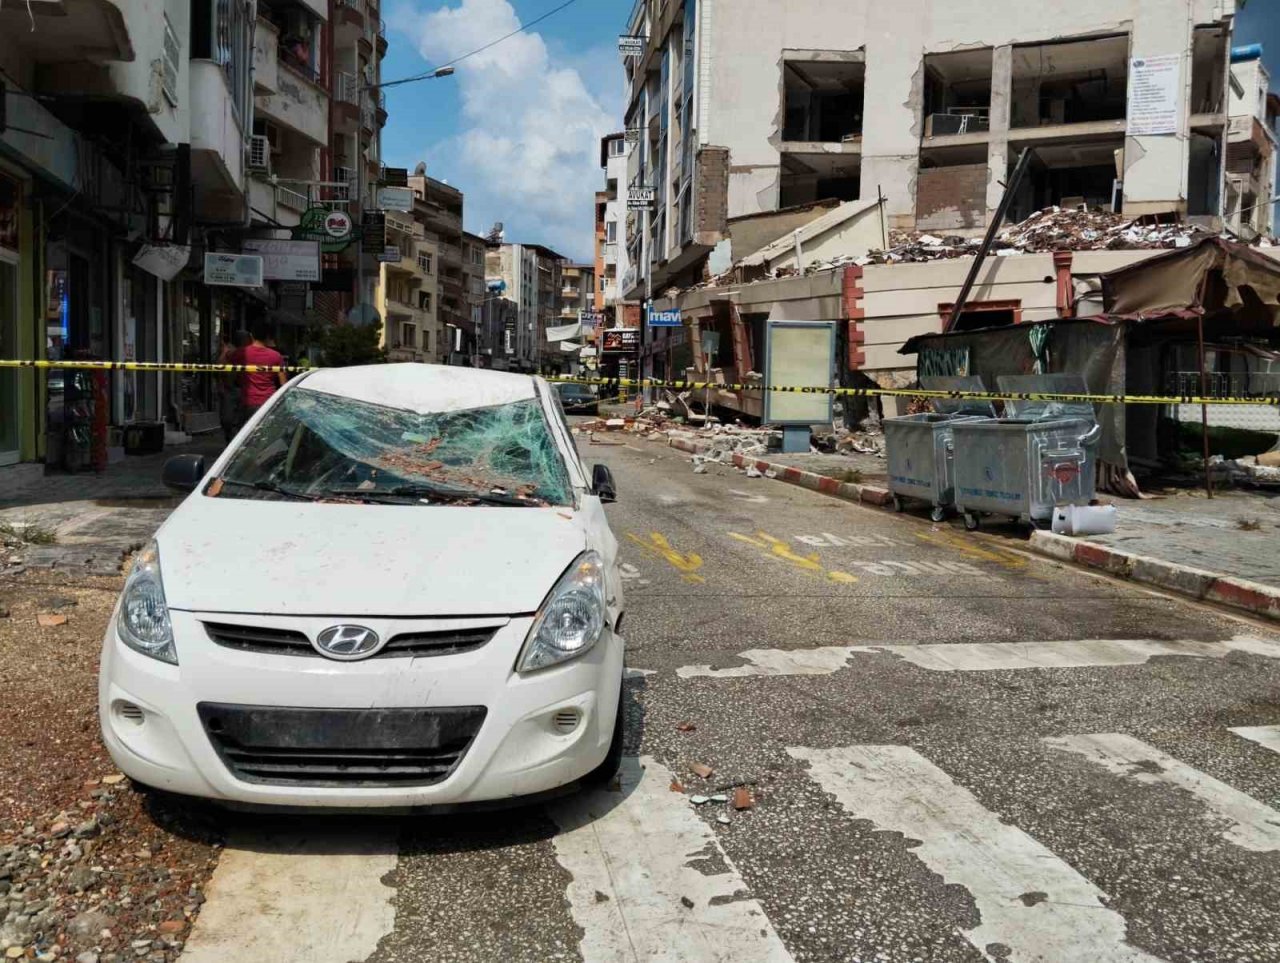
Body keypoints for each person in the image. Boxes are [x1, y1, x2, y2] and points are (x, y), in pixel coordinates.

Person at [230, 323, 287, 431]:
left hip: (247, 401)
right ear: (267, 337)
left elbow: (227, 370)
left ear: (251, 336)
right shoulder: (276, 356)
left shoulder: (241, 352)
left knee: (244, 435)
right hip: (268, 402)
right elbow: (283, 383)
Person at [217, 330, 251, 443]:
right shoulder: (230, 352)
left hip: (245, 389)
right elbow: (220, 368)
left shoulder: (248, 352)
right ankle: (230, 438)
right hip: (230, 389)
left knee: (243, 420)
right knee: (227, 419)